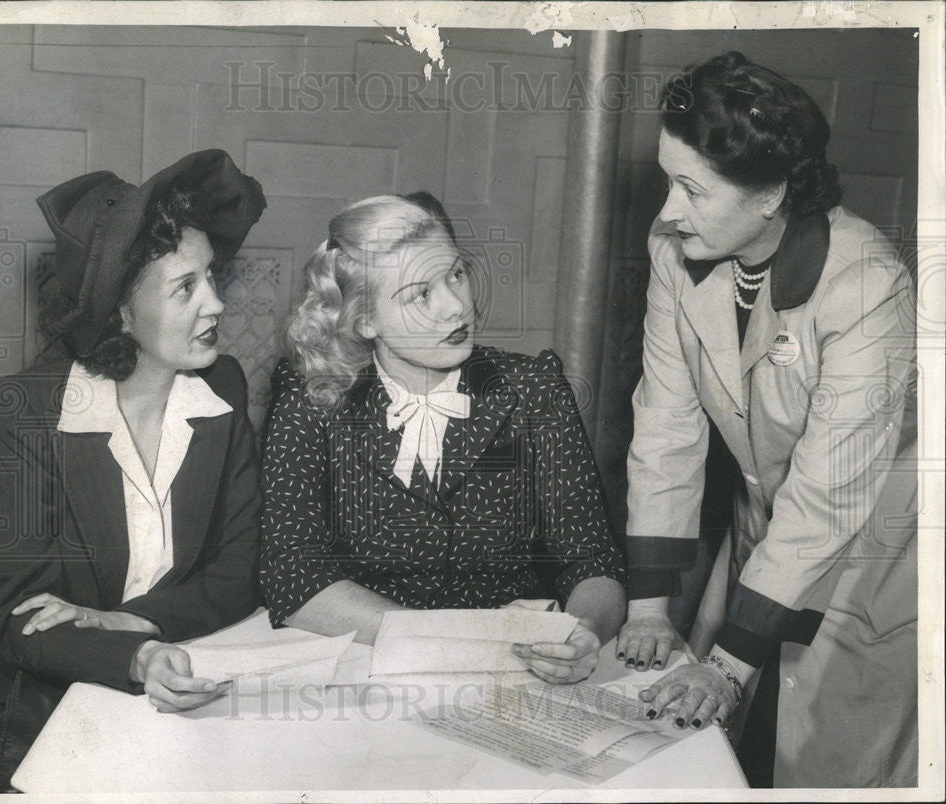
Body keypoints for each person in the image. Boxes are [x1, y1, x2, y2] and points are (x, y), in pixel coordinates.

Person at [615, 52, 917, 787]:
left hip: (877, 549)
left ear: (772, 194)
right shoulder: (675, 251)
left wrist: (725, 663)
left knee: (831, 761)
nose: (666, 212)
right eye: (667, 181)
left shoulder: (867, 284)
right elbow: (665, 424)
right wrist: (650, 607)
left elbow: (829, 496)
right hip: (768, 525)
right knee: (728, 753)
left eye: (691, 189)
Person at [0, 150, 267, 791]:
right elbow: (22, 618)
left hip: (188, 692)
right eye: (185, 287)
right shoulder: (22, 412)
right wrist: (136, 658)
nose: (217, 303)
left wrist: (133, 621)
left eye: (211, 276)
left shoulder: (222, 391)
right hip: (45, 718)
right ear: (119, 313)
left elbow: (239, 570)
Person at [259, 194, 626, 684]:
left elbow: (593, 559)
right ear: (366, 320)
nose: (457, 306)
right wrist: (456, 635)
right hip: (369, 670)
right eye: (420, 294)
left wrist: (584, 632)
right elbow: (293, 572)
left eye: (455, 274)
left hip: (518, 675)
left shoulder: (533, 387)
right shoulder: (311, 396)